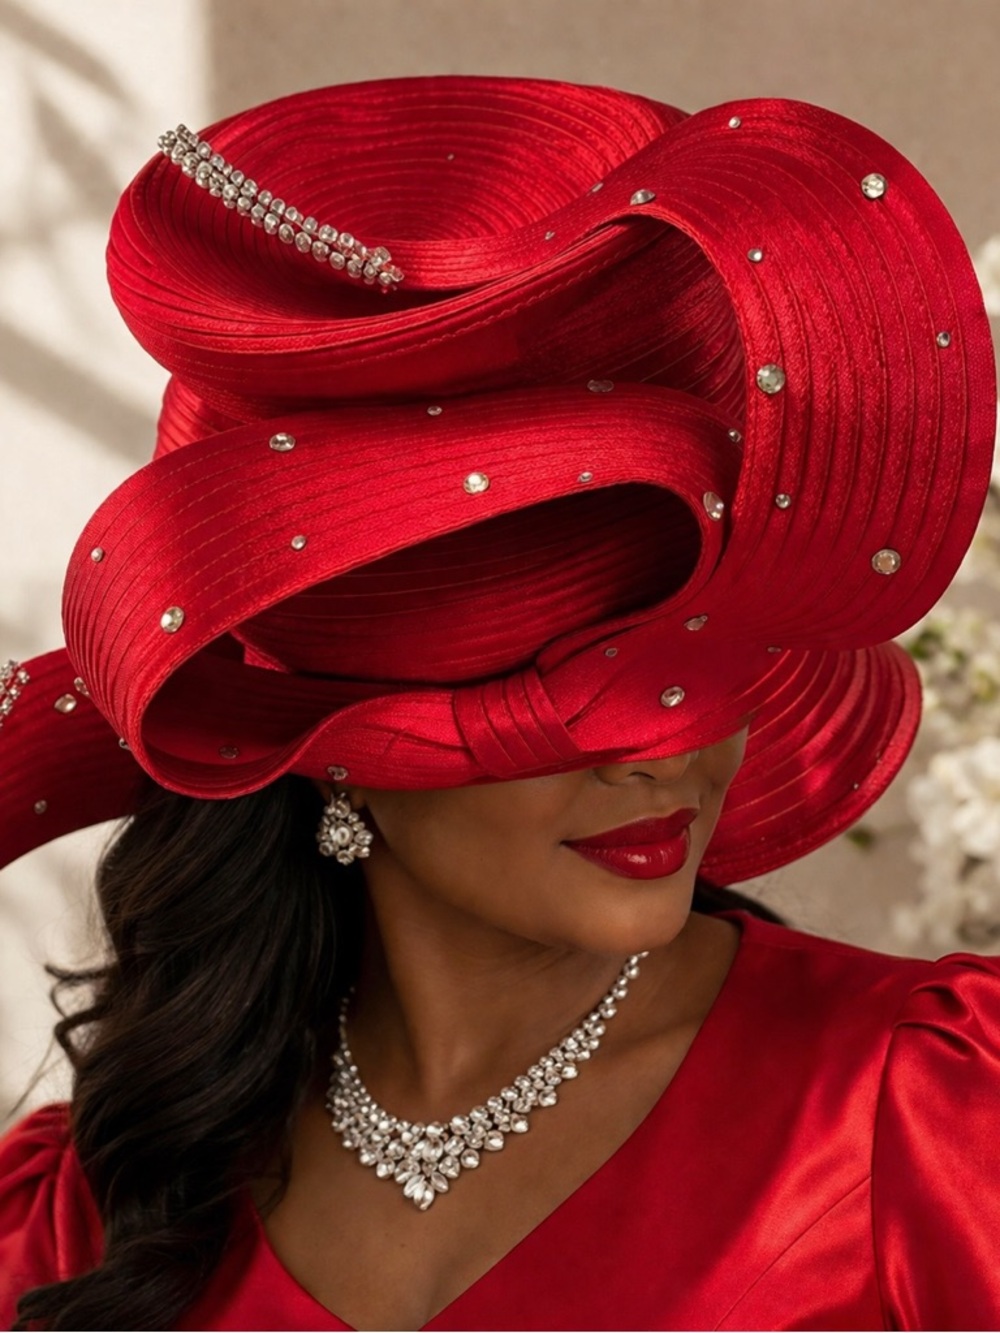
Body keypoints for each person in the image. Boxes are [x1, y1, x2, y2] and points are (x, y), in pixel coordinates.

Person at [0, 75, 998, 1331]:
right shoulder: (97, 1205)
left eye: (712, 655)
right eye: (565, 677)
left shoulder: (926, 1120)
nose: (670, 748)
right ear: (329, 744)